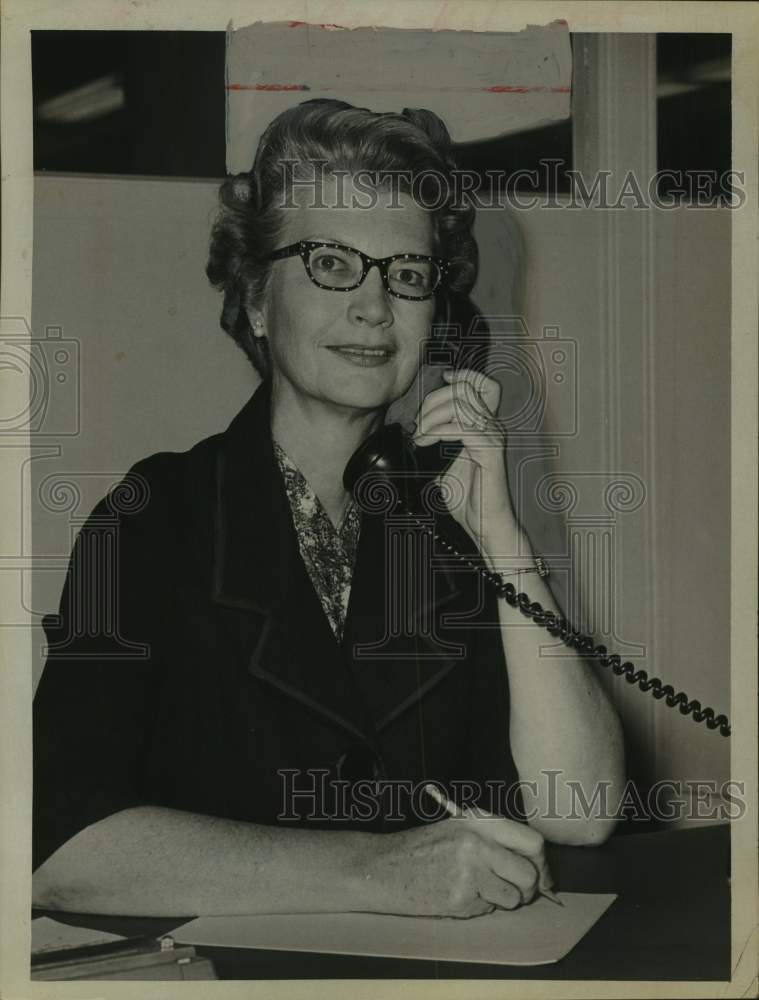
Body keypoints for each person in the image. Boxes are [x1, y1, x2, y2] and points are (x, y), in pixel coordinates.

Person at [32, 99, 624, 920]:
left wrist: (501, 538)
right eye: (332, 264)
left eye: (407, 275)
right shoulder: (150, 516)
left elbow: (582, 811)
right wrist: (374, 871)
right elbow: (56, 847)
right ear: (255, 300)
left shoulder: (445, 518)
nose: (375, 307)